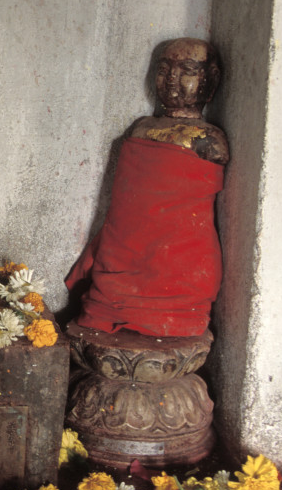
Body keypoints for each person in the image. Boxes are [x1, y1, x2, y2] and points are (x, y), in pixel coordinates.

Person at [66, 38, 229, 337]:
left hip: (182, 260)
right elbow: (124, 212)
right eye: (164, 69)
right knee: (100, 305)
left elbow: (181, 213)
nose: (171, 80)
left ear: (211, 79)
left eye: (187, 70)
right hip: (124, 254)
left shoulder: (209, 140)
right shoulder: (141, 129)